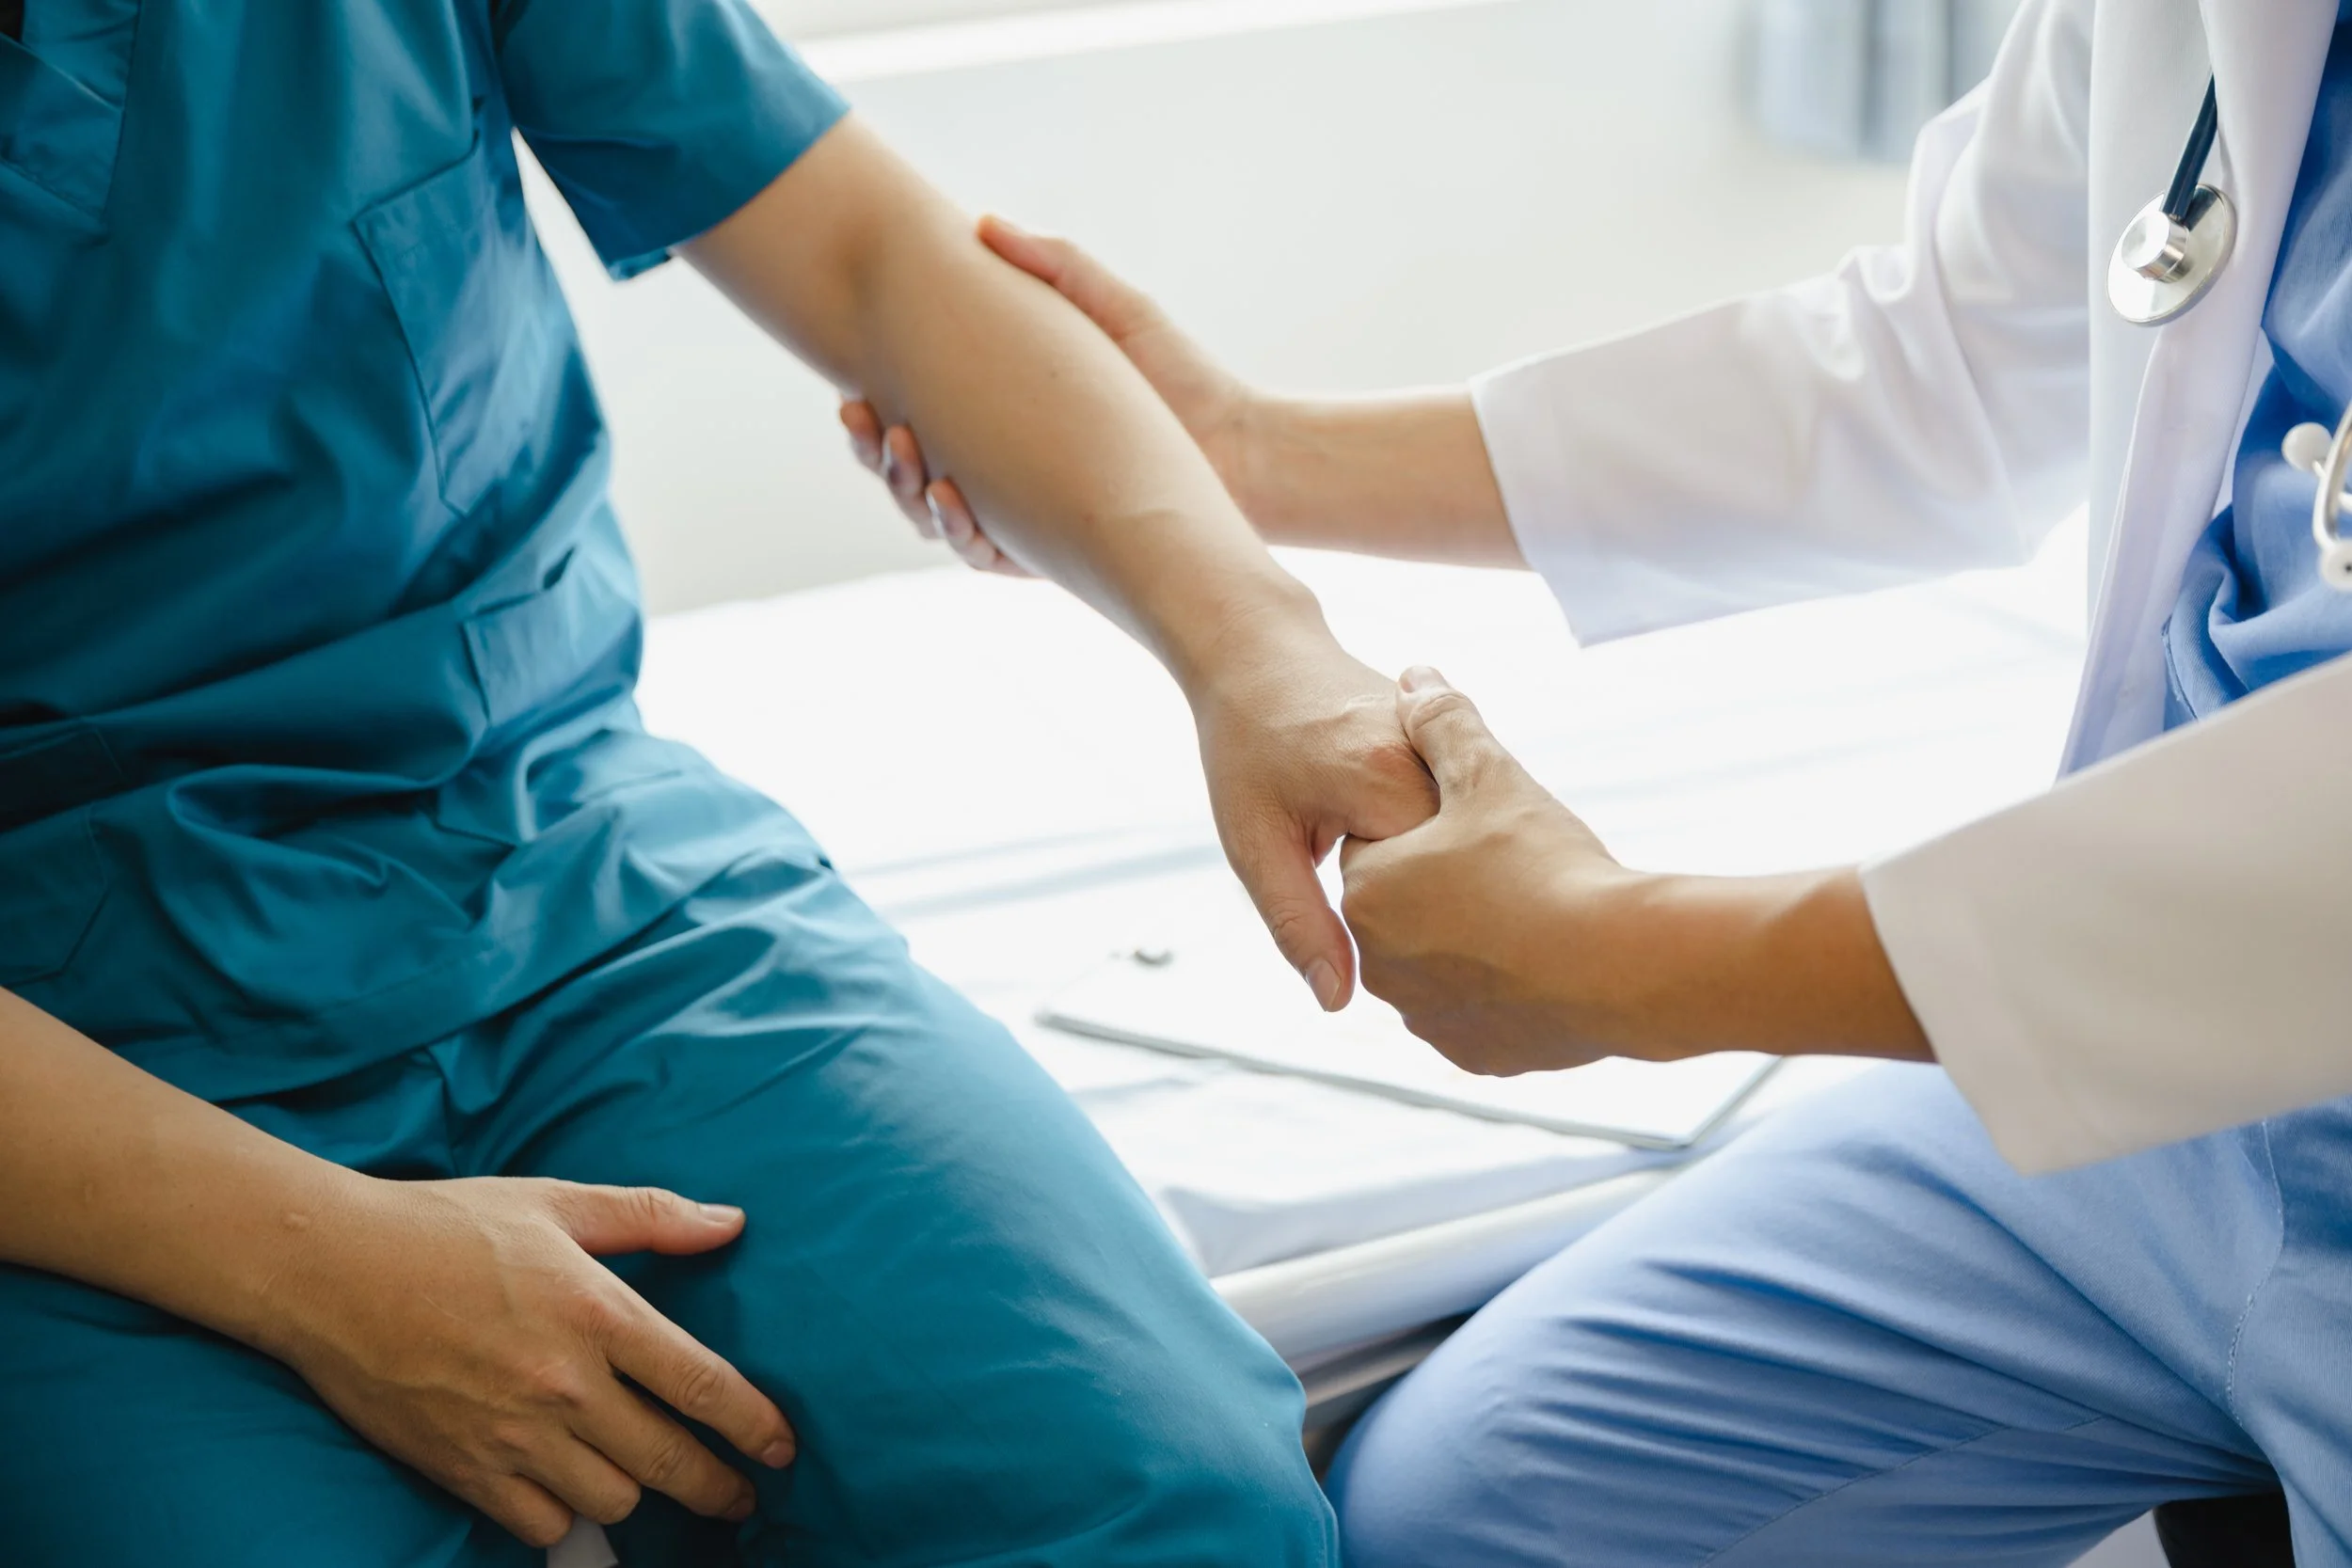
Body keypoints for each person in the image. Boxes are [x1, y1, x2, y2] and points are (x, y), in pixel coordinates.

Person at [849, 0, 2352, 1557]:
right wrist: (1242, 457)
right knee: (1462, 1509)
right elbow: (1948, 362)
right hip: (2133, 1132)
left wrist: (1630, 956)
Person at [0, 2, 1442, 1563]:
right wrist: (322, 1267)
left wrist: (1259, 654)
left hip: (562, 871)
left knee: (1173, 1503)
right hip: (74, 1074)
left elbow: (874, 256)